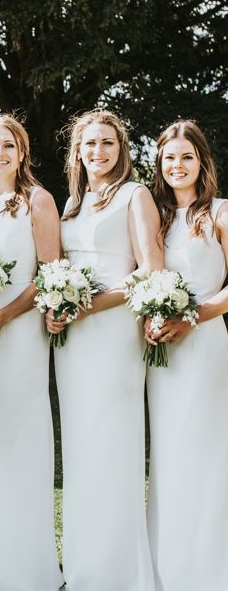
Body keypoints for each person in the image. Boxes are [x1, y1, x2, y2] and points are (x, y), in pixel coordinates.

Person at [47, 109, 162, 591]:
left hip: (113, 332)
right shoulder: (72, 203)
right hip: (72, 342)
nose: (98, 152)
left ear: (122, 150)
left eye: (107, 144)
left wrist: (89, 306)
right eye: (90, 144)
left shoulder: (136, 196)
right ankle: (85, 568)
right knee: (79, 449)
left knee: (113, 445)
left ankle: (118, 570)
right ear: (77, 151)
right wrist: (58, 303)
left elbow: (149, 269)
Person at [0, 115, 63, 591]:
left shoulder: (38, 201)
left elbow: (49, 275)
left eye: (8, 145)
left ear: (22, 152)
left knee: (20, 438)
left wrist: (2, 317)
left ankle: (26, 567)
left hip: (21, 336)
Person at [145, 120, 228, 591]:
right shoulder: (154, 216)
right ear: (159, 163)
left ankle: (210, 568)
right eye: (169, 157)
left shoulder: (219, 213)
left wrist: (192, 317)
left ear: (201, 162)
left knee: (208, 449)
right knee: (170, 452)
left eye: (187, 157)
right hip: (164, 355)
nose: (177, 165)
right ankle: (167, 566)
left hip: (206, 345)